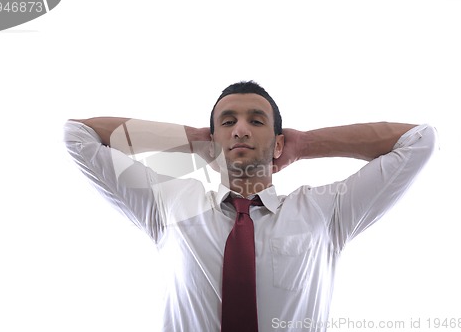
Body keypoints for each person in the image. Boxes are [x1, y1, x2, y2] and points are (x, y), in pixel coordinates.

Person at [64, 81, 436, 332]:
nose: (240, 130)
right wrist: (192, 140)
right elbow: (78, 136)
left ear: (277, 143)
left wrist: (304, 144)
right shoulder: (170, 203)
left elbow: (417, 141)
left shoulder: (326, 211)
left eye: (256, 121)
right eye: (228, 122)